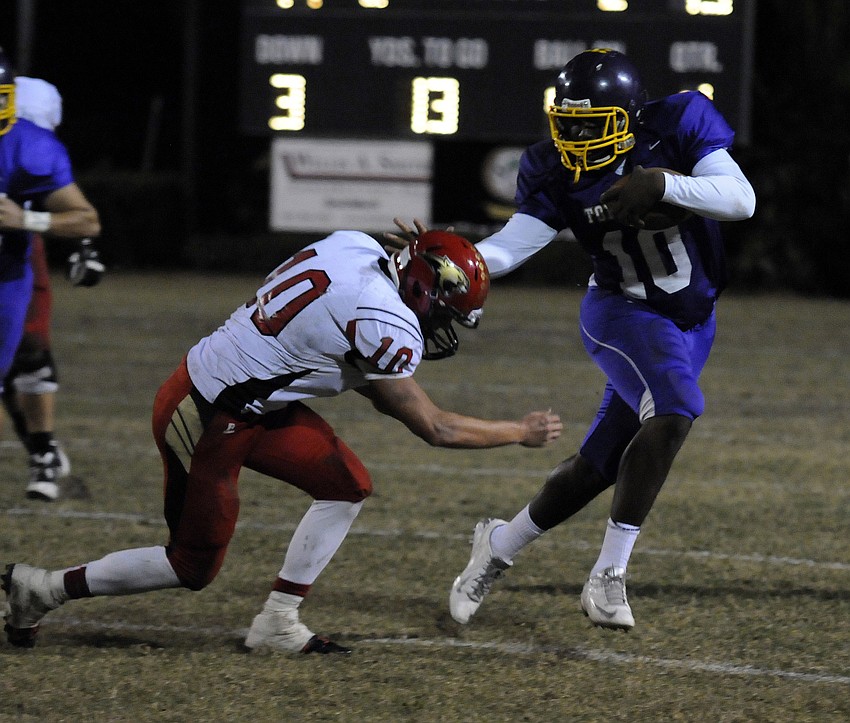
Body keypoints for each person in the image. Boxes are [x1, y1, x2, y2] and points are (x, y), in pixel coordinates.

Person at [2, 228, 562, 653]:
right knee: (191, 565)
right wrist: (519, 431)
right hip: (204, 414)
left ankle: (277, 620)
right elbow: (433, 426)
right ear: (419, 289)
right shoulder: (384, 321)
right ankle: (43, 588)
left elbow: (360, 364)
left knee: (346, 485)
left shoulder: (354, 245)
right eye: (445, 313)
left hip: (252, 403)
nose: (442, 327)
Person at [434, 48, 755, 631]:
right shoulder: (552, 169)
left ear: (629, 117)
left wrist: (663, 183)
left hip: (693, 320)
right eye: (569, 123)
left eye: (593, 123)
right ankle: (608, 577)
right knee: (677, 408)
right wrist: (454, 261)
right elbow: (513, 245)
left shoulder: (678, 122)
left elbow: (740, 199)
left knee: (599, 464)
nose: (577, 138)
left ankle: (497, 545)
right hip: (621, 310)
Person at [0, 50, 102, 501]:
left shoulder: (29, 142)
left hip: (11, 258)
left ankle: (41, 449)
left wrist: (31, 222)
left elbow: (80, 215)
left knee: (29, 349)